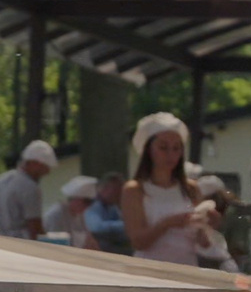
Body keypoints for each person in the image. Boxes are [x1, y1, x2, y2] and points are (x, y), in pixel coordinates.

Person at [125, 113, 208, 266]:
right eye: (163, 148)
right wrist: (167, 223)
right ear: (148, 150)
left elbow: (204, 243)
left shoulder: (191, 189)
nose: (171, 155)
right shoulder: (135, 190)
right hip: (149, 270)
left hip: (186, 269)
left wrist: (207, 224)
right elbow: (138, 242)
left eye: (176, 148)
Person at [0, 140, 55, 240]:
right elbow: (35, 228)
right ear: (35, 163)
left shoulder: (2, 179)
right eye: (45, 168)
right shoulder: (30, 187)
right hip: (20, 244)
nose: (46, 173)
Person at [45, 174, 99, 249]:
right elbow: (55, 245)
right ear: (75, 198)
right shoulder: (57, 214)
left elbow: (89, 239)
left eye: (90, 203)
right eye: (86, 202)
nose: (88, 206)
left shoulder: (79, 214)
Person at [85, 173, 133, 255]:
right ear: (105, 189)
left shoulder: (113, 207)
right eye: (116, 190)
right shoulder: (92, 205)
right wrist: (125, 225)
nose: (119, 194)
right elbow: (96, 227)